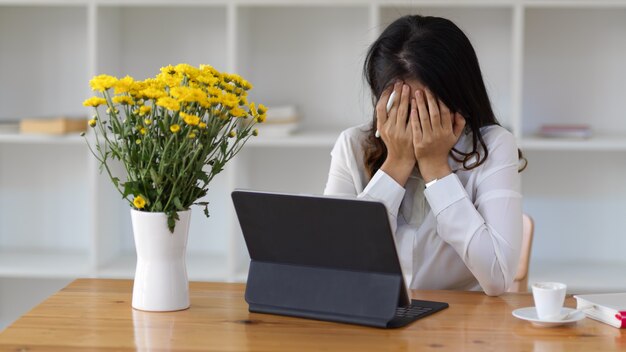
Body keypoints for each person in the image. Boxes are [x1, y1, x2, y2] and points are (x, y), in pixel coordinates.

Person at [324, 15, 525, 296]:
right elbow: (332, 264)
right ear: (380, 102)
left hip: (462, 327)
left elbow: (498, 278)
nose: (418, 123)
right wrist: (396, 164)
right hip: (372, 319)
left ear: (459, 100)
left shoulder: (493, 147)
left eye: (430, 110)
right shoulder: (353, 145)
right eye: (405, 108)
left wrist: (435, 168)